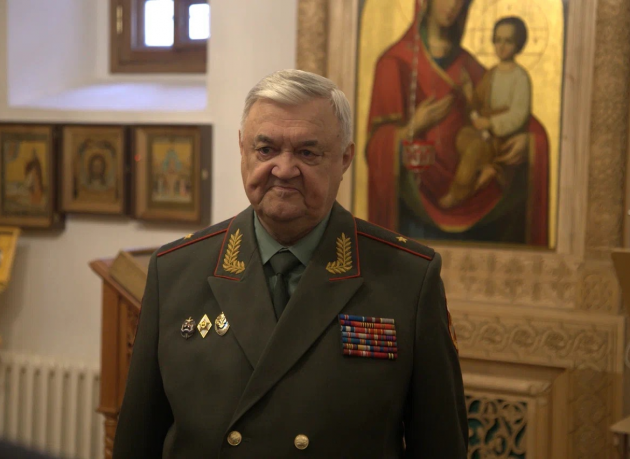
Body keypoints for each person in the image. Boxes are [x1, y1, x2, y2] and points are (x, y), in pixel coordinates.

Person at [113, 69, 467, 458]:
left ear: (345, 158)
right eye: (266, 149)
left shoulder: (409, 278)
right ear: (243, 149)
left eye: (307, 153)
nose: (284, 170)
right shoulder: (175, 271)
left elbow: (441, 445)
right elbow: (137, 440)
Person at [366, 0, 549, 245]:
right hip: (415, 211)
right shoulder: (394, 63)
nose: (453, 5)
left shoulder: (469, 66)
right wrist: (412, 128)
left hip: (480, 211)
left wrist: (529, 141)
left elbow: (515, 115)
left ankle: (468, 183)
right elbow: (375, 145)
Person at [440, 16, 532, 209]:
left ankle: (458, 192)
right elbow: (477, 105)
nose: (501, 46)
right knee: (461, 136)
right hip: (484, 133)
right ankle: (486, 167)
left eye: (508, 41)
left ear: (518, 44)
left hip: (502, 138)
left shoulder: (520, 77)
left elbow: (518, 115)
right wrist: (468, 90)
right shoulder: (491, 74)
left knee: (474, 148)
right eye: (497, 40)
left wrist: (491, 123)